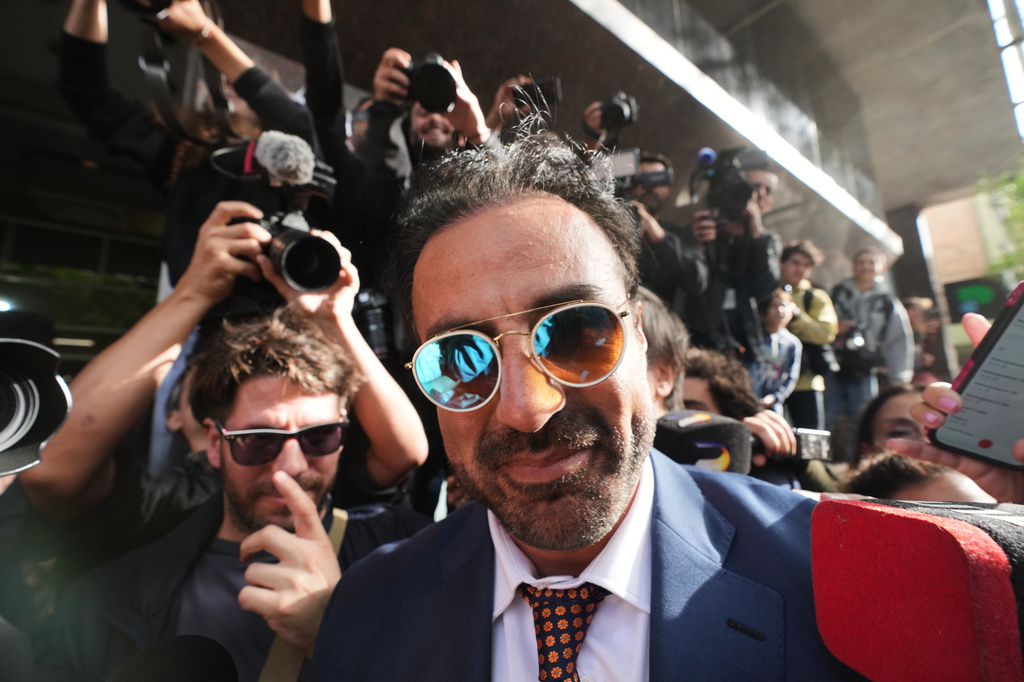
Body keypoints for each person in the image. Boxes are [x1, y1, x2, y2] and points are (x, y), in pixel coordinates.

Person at [308, 135, 856, 680]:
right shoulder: (366, 611)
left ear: (639, 335)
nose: (525, 409)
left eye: (574, 332)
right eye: (460, 358)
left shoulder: (835, 580)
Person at [32, 204, 430, 681]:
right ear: (215, 445)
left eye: (320, 436)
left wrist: (333, 319)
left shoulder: (398, 548)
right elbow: (53, 466)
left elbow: (408, 452)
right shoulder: (141, 551)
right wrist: (193, 294)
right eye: (258, 441)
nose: (290, 466)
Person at [680, 150, 781, 363]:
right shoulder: (703, 228)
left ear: (771, 202)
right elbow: (687, 283)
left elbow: (764, 289)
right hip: (696, 339)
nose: (759, 194)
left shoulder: (765, 239)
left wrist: (756, 236)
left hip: (743, 343)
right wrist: (697, 246)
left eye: (767, 190)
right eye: (754, 187)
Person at [826, 246, 913, 428]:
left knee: (863, 421)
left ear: (882, 267)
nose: (866, 266)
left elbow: (898, 340)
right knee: (825, 419)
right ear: (853, 267)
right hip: (831, 365)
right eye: (861, 262)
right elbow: (818, 323)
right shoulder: (835, 294)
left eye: (871, 262)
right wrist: (832, 328)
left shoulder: (888, 302)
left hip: (864, 370)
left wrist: (899, 379)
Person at [778, 239, 839, 429]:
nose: (800, 269)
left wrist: (795, 316)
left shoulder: (815, 296)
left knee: (811, 442)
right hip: (770, 381)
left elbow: (826, 333)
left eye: (806, 265)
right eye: (795, 262)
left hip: (805, 382)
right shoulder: (766, 292)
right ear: (782, 263)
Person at [746, 288, 802, 416]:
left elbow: (791, 377)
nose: (780, 311)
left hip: (773, 407)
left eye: (783, 305)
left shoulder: (792, 344)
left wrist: (775, 397)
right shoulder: (753, 338)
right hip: (749, 402)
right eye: (773, 306)